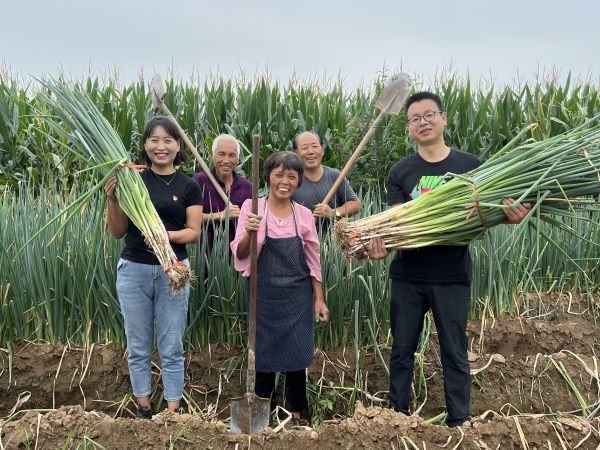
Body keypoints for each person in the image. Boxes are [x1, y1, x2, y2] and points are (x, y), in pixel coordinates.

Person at [368, 92, 530, 427]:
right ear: (409, 129)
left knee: (455, 352)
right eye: (415, 119)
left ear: (443, 118)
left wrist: (512, 214)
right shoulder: (400, 172)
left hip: (452, 275)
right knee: (401, 351)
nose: (423, 122)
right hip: (408, 275)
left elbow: (495, 208)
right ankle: (397, 421)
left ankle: (460, 423)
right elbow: (398, 224)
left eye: (429, 115)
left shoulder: (470, 167)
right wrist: (380, 243)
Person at [104, 116, 203, 419]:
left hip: (173, 269)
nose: (161, 147)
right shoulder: (131, 180)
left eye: (168, 140)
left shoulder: (189, 185)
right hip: (134, 269)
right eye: (154, 140)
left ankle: (172, 410)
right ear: (145, 144)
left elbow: (194, 232)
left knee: (172, 344)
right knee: (138, 344)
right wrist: (111, 198)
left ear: (178, 146)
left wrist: (163, 236)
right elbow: (118, 231)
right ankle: (143, 407)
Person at [231, 151, 329, 422]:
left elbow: (313, 260)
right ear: (268, 178)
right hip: (262, 296)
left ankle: (297, 415)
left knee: (297, 358)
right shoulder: (253, 209)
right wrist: (251, 232)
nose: (284, 181)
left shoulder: (304, 215)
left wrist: (319, 299)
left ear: (298, 182)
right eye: (278, 174)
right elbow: (240, 254)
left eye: (291, 176)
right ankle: (261, 418)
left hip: (297, 298)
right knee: (262, 359)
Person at [192, 134, 251, 251]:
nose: (226, 160)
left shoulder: (247, 187)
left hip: (235, 258)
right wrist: (221, 215)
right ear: (212, 155)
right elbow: (188, 218)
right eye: (221, 154)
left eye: (232, 155)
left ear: (238, 158)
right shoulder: (199, 181)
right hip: (204, 256)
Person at [291, 131, 361, 225]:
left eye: (315, 146)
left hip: (333, 239)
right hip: (301, 238)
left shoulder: (334, 175)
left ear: (322, 150)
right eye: (305, 148)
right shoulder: (291, 179)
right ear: (296, 153)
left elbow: (356, 205)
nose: (311, 151)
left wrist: (333, 213)